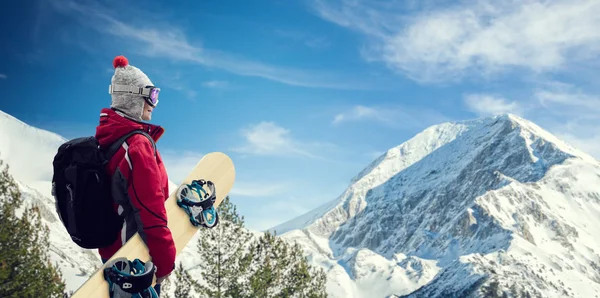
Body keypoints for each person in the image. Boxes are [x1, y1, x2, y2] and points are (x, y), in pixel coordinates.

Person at [95, 55, 175, 295]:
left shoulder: (108, 139)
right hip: (136, 259)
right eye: (151, 96)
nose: (154, 103)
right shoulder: (137, 146)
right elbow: (150, 211)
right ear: (133, 97)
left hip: (113, 258)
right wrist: (165, 260)